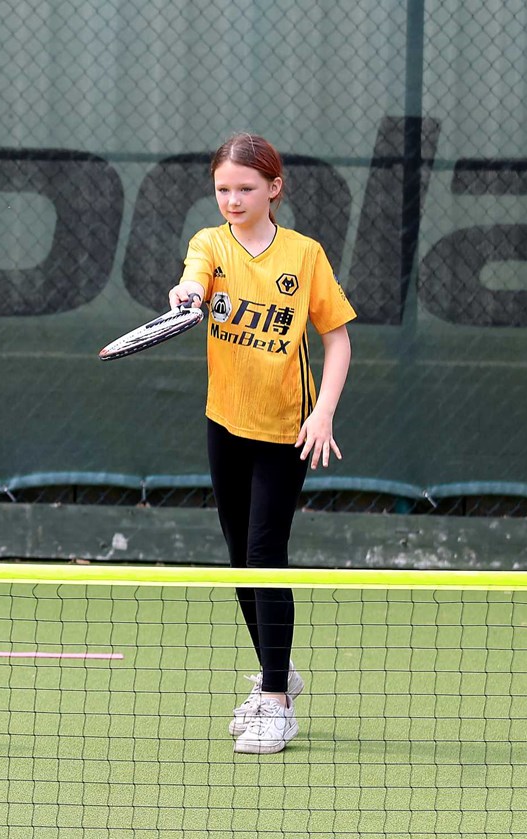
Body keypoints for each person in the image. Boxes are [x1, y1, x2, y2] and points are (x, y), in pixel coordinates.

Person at [166, 133, 355, 755]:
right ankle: (279, 673)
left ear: (273, 189)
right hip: (225, 422)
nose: (232, 199)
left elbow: (338, 339)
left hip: (285, 429)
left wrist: (322, 415)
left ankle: (276, 701)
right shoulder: (210, 245)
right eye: (223, 189)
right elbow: (194, 281)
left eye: (245, 188)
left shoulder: (304, 257)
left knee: (265, 553)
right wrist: (188, 296)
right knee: (240, 561)